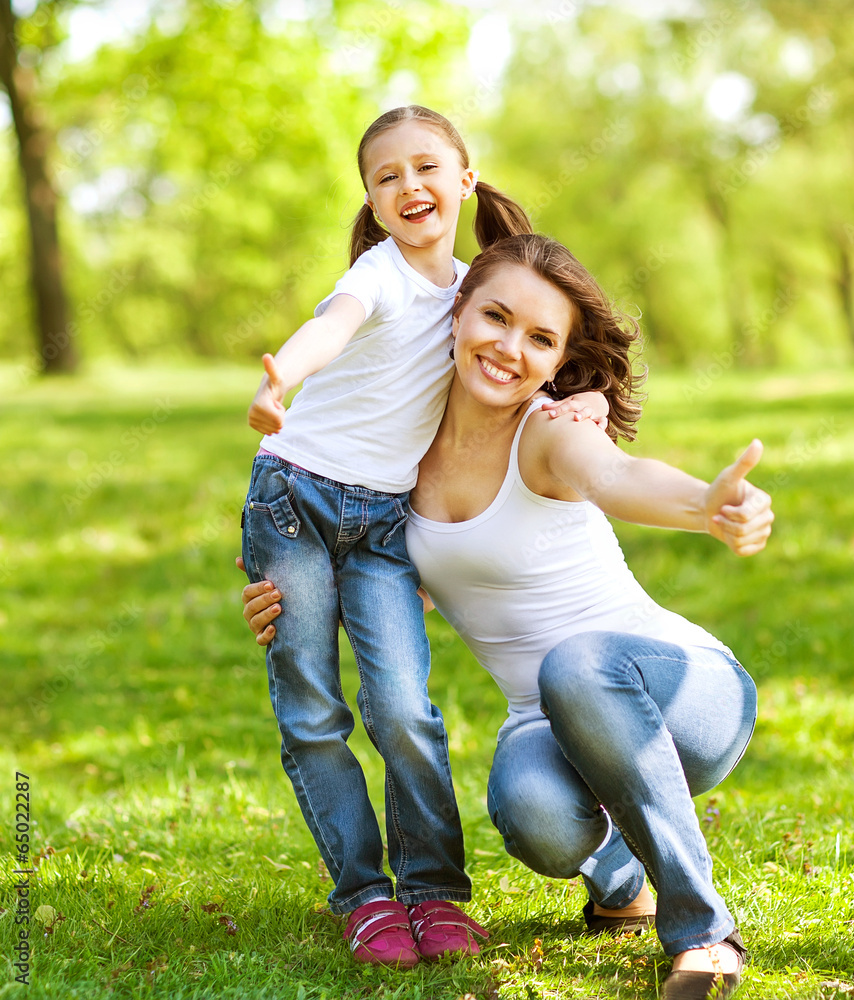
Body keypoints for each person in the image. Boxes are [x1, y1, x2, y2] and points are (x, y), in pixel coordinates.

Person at [242, 233, 773, 999]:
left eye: (540, 339)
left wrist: (705, 506)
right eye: (495, 317)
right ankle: (622, 882)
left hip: (681, 692)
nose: (509, 348)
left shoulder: (553, 434)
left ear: (558, 363)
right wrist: (280, 595)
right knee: (529, 814)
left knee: (578, 664)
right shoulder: (395, 467)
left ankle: (704, 933)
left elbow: (619, 477)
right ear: (456, 313)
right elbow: (359, 567)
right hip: (550, 726)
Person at [240, 108, 605, 969]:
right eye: (386, 176)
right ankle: (365, 898)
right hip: (295, 496)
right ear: (370, 198)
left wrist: (582, 403)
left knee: (404, 705)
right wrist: (281, 378)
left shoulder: (475, 293)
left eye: (427, 167)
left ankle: (433, 891)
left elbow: (528, 362)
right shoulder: (379, 273)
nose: (410, 187)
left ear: (466, 179)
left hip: (383, 524)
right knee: (313, 710)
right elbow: (332, 323)